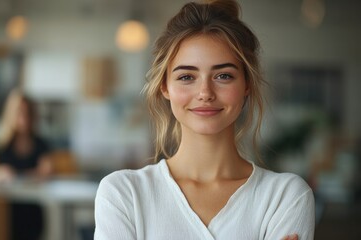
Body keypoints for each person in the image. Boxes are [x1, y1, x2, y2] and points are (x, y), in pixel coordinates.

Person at [94, 1, 315, 240]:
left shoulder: (286, 196)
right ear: (165, 87)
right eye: (187, 76)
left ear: (247, 84)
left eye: (223, 76)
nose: (205, 93)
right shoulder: (123, 193)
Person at [0, 89, 52, 240]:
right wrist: (1, 172)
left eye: (28, 113)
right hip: (4, 211)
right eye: (20, 112)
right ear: (11, 114)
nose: (24, 118)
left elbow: (46, 171)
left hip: (31, 212)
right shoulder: (0, 144)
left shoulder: (40, 144)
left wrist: (18, 175)